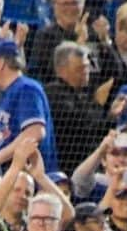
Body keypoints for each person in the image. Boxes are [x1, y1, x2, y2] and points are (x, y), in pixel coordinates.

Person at [0, 37, 57, 172]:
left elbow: (34, 132)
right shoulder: (6, 93)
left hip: (29, 181)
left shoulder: (27, 88)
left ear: (0, 63)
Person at [44, 41, 115, 175]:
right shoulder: (54, 94)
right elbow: (81, 125)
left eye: (87, 67)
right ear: (61, 70)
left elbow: (97, 128)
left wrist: (112, 115)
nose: (85, 72)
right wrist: (98, 104)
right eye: (80, 69)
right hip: (66, 168)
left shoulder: (82, 93)